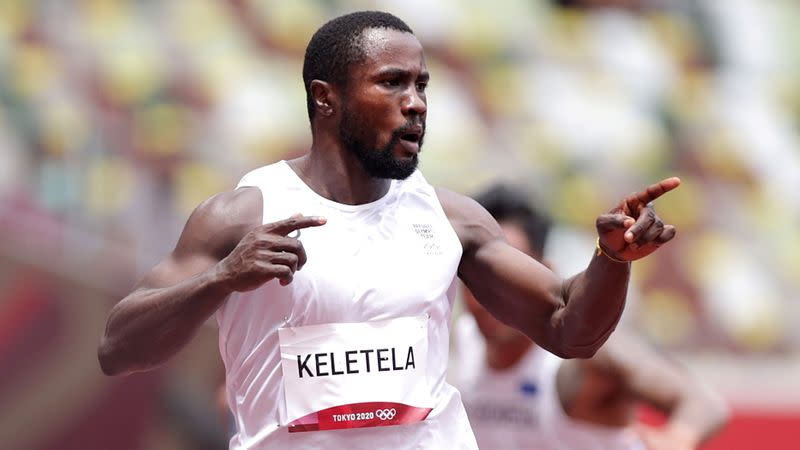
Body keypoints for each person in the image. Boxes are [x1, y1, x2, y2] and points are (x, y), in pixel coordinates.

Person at [97, 11, 681, 449]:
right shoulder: (241, 216)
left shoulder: (449, 219)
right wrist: (222, 279)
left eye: (422, 85)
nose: (417, 103)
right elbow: (117, 349)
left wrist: (612, 260)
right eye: (392, 83)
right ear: (326, 100)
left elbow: (568, 328)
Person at [452, 184, 728, 450]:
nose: (492, 296)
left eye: (506, 277)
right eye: (481, 278)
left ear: (542, 273)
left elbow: (702, 402)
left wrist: (677, 439)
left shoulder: (583, 360)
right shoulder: (464, 338)